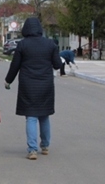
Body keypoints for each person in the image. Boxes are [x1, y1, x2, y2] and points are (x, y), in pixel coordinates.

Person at [4, 17, 63, 160]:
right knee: (44, 115)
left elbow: (15, 65)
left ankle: (32, 150)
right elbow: (57, 65)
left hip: (28, 85)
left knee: (31, 116)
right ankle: (45, 146)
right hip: (46, 85)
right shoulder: (50, 44)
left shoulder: (23, 45)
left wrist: (8, 80)